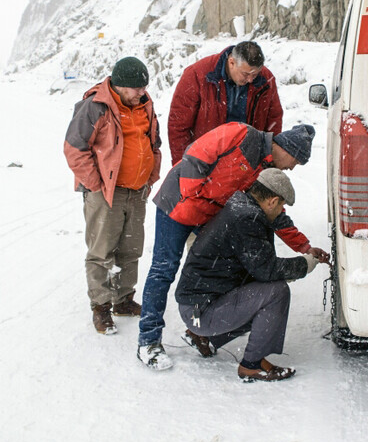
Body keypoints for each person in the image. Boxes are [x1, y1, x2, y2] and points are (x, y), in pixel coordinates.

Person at [136, 121, 330, 369]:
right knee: (164, 269)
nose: (291, 168)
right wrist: (196, 195)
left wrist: (303, 247)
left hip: (207, 214)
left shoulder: (266, 169)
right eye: (295, 162)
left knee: (222, 264)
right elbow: (196, 154)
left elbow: (274, 214)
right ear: (289, 150)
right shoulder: (243, 134)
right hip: (179, 203)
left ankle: (202, 329)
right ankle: (148, 340)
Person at [175, 168, 318, 381]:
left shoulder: (241, 206)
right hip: (198, 312)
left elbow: (257, 268)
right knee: (276, 293)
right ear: (272, 201)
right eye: (281, 205)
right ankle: (251, 365)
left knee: (260, 294)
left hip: (194, 307)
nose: (281, 211)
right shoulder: (247, 219)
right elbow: (266, 269)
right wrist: (304, 265)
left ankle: (201, 335)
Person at [63, 56, 162, 335]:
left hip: (137, 190)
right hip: (106, 192)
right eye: (136, 88)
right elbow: (74, 148)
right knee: (101, 251)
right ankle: (101, 308)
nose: (142, 92)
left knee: (131, 248)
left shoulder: (144, 104)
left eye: (144, 87)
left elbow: (154, 142)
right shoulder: (95, 106)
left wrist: (151, 174)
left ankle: (123, 300)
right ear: (119, 86)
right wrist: (96, 185)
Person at [167, 41, 284, 166]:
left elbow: (274, 120)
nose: (250, 80)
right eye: (246, 74)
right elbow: (178, 126)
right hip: (206, 162)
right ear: (231, 62)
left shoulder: (265, 79)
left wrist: (269, 160)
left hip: (248, 162)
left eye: (254, 75)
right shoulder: (197, 75)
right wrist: (183, 166)